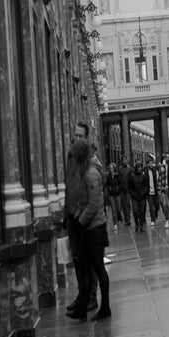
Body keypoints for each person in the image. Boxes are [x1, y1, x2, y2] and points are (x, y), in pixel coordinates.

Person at [65, 137, 110, 321]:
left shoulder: (91, 174)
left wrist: (80, 222)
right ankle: (82, 307)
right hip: (89, 227)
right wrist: (77, 216)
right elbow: (83, 202)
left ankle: (105, 307)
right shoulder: (85, 172)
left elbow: (93, 204)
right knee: (87, 267)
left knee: (98, 268)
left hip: (95, 229)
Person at [63, 121, 98, 313]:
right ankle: (82, 295)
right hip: (72, 215)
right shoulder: (70, 157)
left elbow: (91, 191)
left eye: (80, 136)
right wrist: (66, 213)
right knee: (77, 258)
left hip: (84, 217)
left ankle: (91, 296)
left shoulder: (91, 159)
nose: (77, 139)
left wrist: (82, 216)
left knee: (89, 258)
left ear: (86, 138)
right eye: (75, 135)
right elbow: (69, 186)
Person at [127, 160, 148, 233]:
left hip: (142, 196)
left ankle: (141, 225)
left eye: (140, 167)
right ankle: (136, 223)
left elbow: (146, 186)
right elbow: (130, 187)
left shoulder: (143, 175)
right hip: (134, 196)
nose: (140, 168)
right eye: (138, 167)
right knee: (135, 211)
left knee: (141, 211)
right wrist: (133, 194)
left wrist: (144, 193)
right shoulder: (132, 176)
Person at [104, 161, 123, 230]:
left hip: (117, 194)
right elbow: (106, 184)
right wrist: (109, 189)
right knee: (113, 209)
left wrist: (118, 188)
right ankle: (115, 223)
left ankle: (119, 217)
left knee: (119, 209)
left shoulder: (117, 175)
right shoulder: (108, 176)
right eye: (110, 168)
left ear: (114, 168)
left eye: (112, 168)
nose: (111, 169)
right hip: (111, 195)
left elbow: (120, 183)